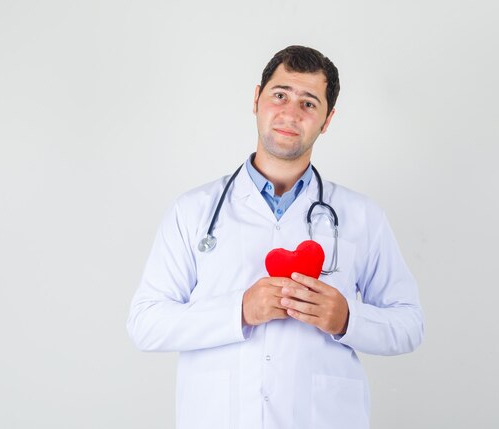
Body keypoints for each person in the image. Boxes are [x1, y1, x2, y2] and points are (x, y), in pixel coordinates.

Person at [127, 45, 424, 429]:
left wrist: (347, 318)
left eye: (309, 104)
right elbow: (145, 323)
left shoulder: (361, 216)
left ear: (327, 119)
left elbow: (409, 324)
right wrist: (239, 311)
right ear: (257, 99)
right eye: (280, 95)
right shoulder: (192, 211)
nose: (290, 113)